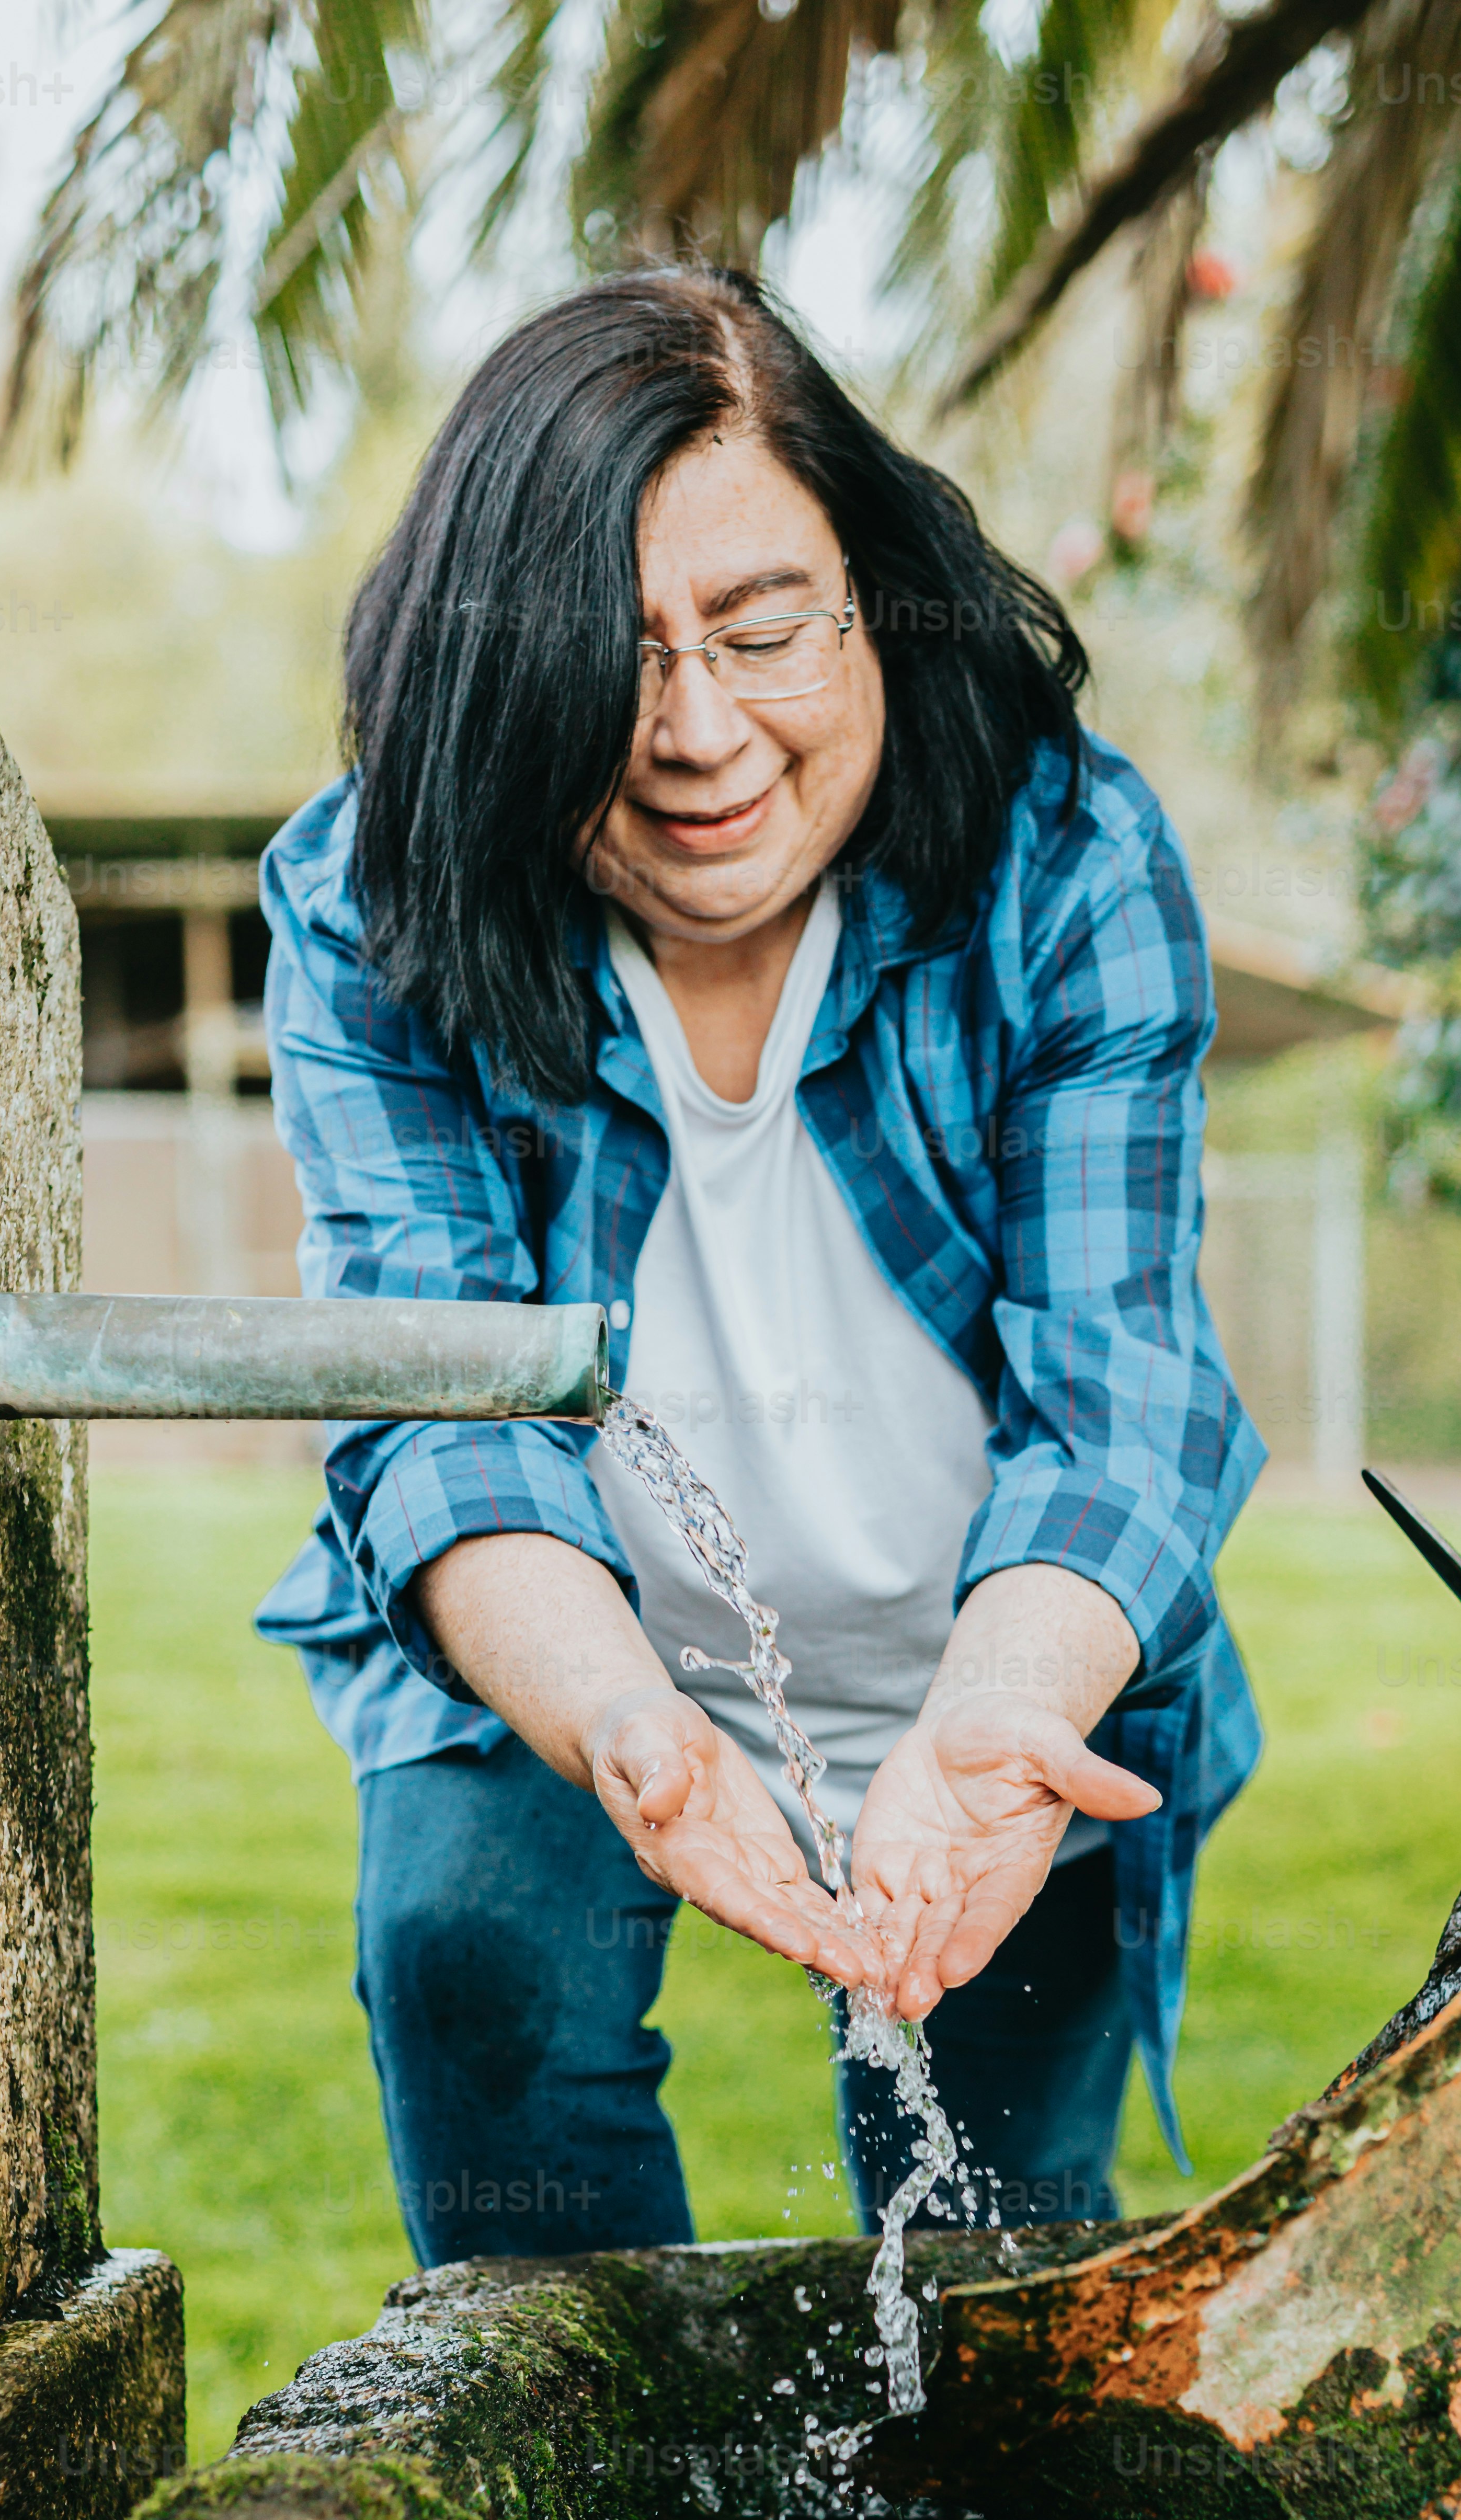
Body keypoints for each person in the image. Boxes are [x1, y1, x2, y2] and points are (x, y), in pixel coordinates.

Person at [255, 262, 1263, 2272]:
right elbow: (432, 1396)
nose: (700, 735)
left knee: (988, 2258)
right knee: (477, 1976)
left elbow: (1124, 1390)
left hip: (1016, 1671)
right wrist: (632, 1724)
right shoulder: (378, 901)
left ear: (873, 593)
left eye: (763, 627)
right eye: (612, 661)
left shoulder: (1064, 868)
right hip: (565, 1643)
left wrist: (996, 1717)